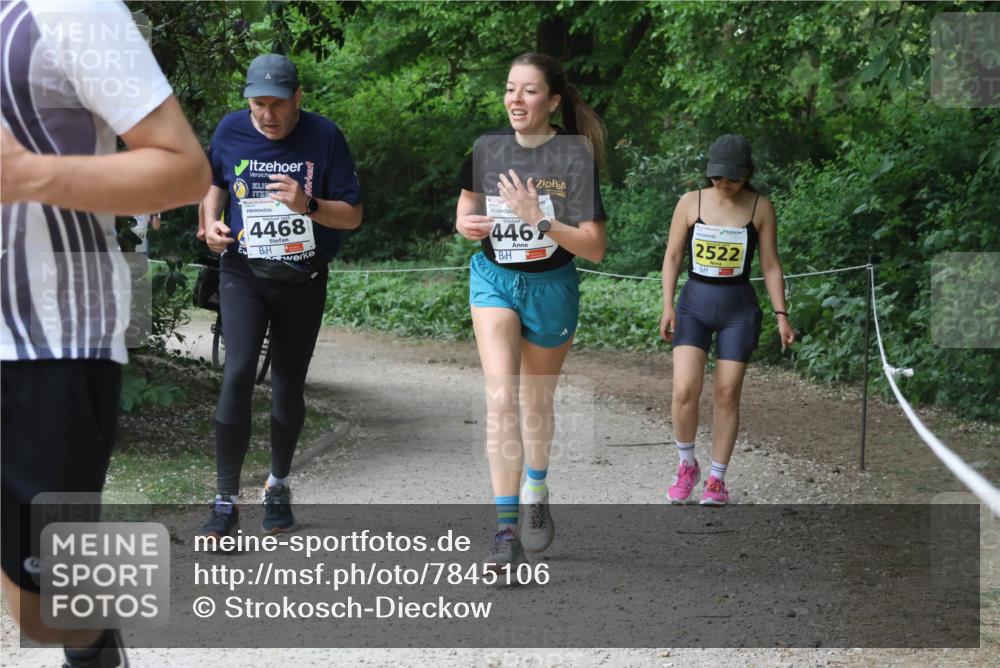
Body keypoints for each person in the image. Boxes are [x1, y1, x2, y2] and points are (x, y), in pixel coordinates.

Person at [0, 1, 210, 665]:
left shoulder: (69, 8)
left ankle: (93, 644)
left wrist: (26, 175)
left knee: (42, 610)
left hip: (48, 339)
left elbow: (183, 169)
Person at [200, 53, 362, 539]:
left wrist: (307, 204)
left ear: (298, 98)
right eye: (256, 105)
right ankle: (225, 501)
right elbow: (213, 184)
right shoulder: (230, 130)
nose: (266, 115)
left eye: (276, 104)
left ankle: (278, 485)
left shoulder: (325, 136)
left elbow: (352, 216)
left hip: (303, 278)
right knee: (238, 370)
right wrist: (209, 224)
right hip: (243, 272)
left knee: (288, 385)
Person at [455, 53, 607, 569]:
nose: (515, 100)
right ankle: (503, 530)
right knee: (502, 398)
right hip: (495, 280)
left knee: (535, 404)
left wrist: (537, 220)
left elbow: (594, 247)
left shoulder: (574, 156)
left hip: (552, 287)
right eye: (509, 89)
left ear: (553, 101)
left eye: (529, 91)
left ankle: (536, 491)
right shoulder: (486, 148)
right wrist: (468, 226)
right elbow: (465, 207)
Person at [659, 134, 795, 506]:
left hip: (739, 309)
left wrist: (781, 314)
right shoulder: (691, 202)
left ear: (747, 173)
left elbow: (770, 264)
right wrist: (667, 305)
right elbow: (672, 257)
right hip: (694, 306)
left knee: (727, 393)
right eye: (718, 177)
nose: (725, 184)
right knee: (685, 389)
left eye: (733, 178)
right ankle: (687, 465)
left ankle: (717, 479)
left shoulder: (760, 207)